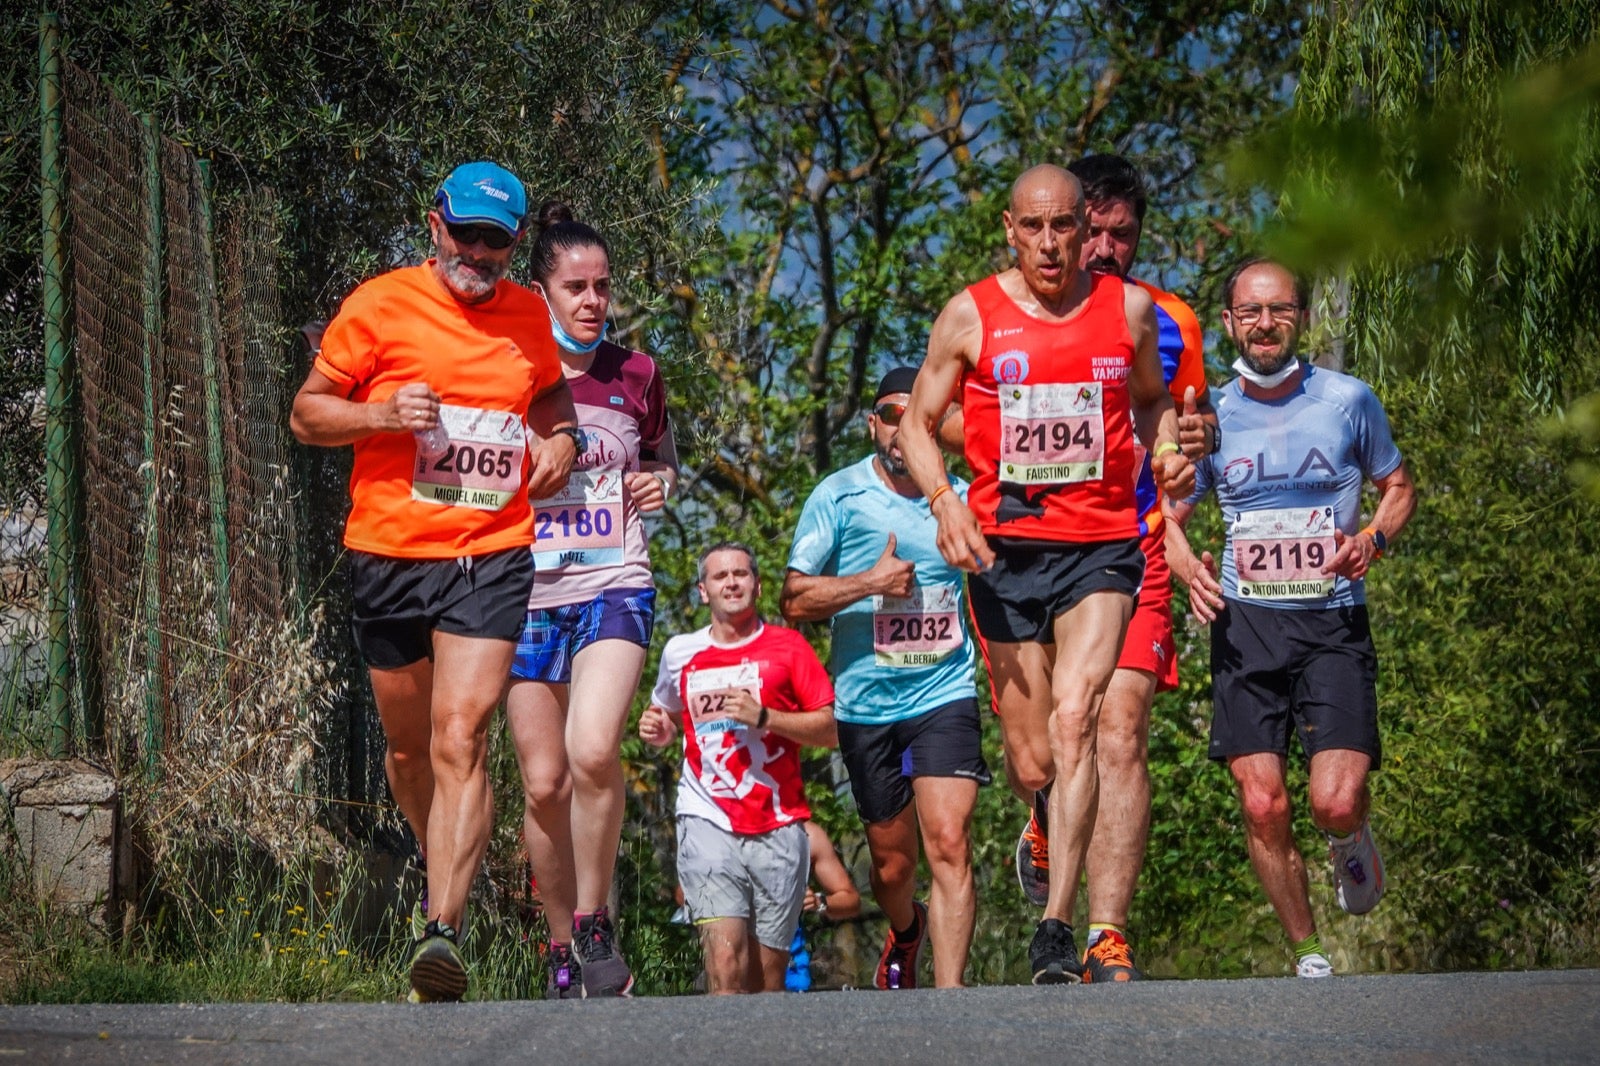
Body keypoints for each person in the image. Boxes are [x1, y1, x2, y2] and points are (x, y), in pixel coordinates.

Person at [289, 161, 581, 1002]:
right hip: (388, 553)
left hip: (491, 552)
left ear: (514, 244)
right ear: (435, 225)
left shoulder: (531, 317)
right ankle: (441, 860)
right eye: (468, 235)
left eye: (498, 241)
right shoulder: (378, 306)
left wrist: (560, 445)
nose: (480, 254)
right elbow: (309, 415)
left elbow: (552, 404)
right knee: (412, 751)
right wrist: (381, 414)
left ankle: (439, 932)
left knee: (462, 736)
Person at [898, 163, 1194, 984]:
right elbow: (919, 426)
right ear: (1008, 227)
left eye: (1065, 225)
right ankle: (1041, 811)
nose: (1053, 243)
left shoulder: (1128, 311)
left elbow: (1153, 403)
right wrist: (944, 506)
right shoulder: (970, 314)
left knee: (1081, 722)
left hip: (1102, 544)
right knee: (1034, 759)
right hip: (1004, 551)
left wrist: (1167, 453)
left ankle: (1061, 927)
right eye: (1034, 227)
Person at [1165, 257, 1417, 978]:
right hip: (1246, 626)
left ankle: (1350, 836)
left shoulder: (1347, 401)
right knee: (1264, 802)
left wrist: (1372, 538)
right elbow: (1169, 519)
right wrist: (1188, 570)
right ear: (1229, 324)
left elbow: (1397, 486)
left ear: (1300, 316)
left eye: (1278, 310)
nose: (1265, 324)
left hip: (1332, 622)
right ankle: (1308, 951)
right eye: (1251, 312)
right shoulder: (1207, 418)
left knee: (1332, 802)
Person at [1008, 154, 1218, 983]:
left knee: (1118, 729)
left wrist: (1186, 466)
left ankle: (1105, 933)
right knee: (1044, 750)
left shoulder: (1168, 322)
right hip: (1025, 551)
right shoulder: (1003, 309)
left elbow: (1188, 436)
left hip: (1127, 548)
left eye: (1117, 234)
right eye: (1084, 228)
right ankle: (1044, 807)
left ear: (1136, 239)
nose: (1098, 247)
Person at [503, 202, 679, 999]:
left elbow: (665, 466)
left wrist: (659, 483)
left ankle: (595, 920)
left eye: (602, 286)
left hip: (615, 581)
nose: (593, 301)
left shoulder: (636, 374)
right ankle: (557, 948)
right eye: (575, 286)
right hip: (526, 594)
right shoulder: (505, 369)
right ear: (540, 290)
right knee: (543, 782)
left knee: (593, 748)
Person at [780, 366, 989, 989]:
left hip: (945, 691)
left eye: (917, 413)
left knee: (949, 840)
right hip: (867, 706)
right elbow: (793, 600)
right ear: (874, 424)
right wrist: (871, 583)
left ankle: (951, 999)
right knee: (892, 870)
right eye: (891, 413)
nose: (903, 427)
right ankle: (906, 929)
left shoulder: (962, 498)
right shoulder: (838, 497)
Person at [638, 543, 839, 994]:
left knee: (765, 980)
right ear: (702, 592)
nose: (731, 582)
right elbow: (667, 715)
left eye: (741, 574)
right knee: (725, 960)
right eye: (719, 576)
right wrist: (659, 730)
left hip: (778, 821)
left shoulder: (789, 648)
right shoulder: (680, 651)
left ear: (757, 585)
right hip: (705, 815)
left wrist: (765, 717)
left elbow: (831, 729)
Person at [785, 820, 864, 992]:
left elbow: (851, 900)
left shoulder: (808, 834)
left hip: (791, 964)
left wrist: (818, 902)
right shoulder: (721, 829)